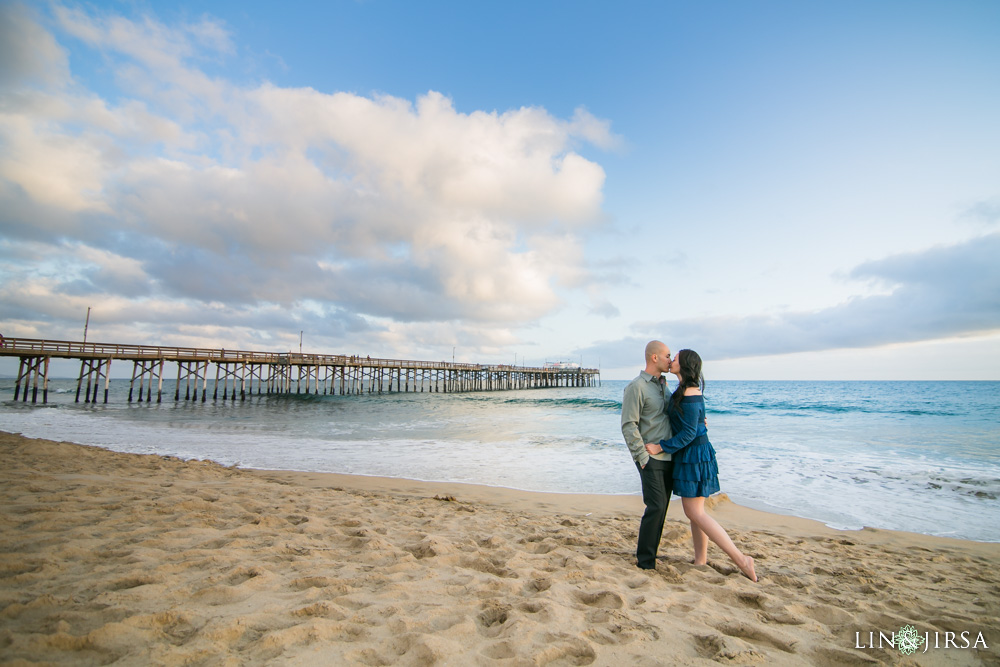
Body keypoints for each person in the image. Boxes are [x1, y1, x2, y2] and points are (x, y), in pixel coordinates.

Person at [645, 349, 757, 582]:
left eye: (675, 358)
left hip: (694, 455)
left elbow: (688, 433)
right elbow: (693, 422)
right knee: (696, 513)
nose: (671, 360)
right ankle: (700, 560)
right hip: (692, 453)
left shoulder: (691, 392)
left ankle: (741, 559)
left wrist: (660, 446)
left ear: (684, 365)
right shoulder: (684, 390)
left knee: (694, 512)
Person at [621, 340, 674, 570]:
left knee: (662, 507)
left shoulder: (664, 386)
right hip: (649, 458)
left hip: (668, 456)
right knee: (655, 506)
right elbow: (628, 424)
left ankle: (650, 554)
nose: (670, 360)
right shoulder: (637, 387)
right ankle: (645, 561)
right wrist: (642, 457)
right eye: (668, 356)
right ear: (654, 357)